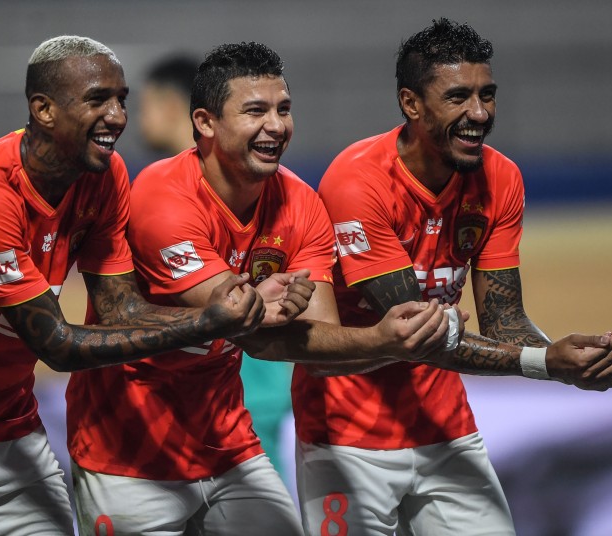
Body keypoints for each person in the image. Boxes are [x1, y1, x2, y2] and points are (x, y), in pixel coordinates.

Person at [0, 35, 268, 536]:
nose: (117, 115)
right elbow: (59, 346)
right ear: (43, 110)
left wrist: (234, 316)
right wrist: (208, 322)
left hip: (8, 421)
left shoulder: (106, 176)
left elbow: (121, 311)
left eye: (121, 99)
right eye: (97, 100)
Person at [66, 41, 459, 536]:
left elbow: (319, 339)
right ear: (205, 123)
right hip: (125, 452)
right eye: (256, 110)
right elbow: (235, 315)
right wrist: (266, 306)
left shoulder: (302, 203)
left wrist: (379, 339)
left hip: (228, 445)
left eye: (284, 109)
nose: (276, 125)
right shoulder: (159, 195)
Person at [298, 17, 612, 535]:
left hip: (445, 427)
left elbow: (504, 320)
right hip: (346, 437)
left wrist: (573, 359)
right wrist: (547, 363)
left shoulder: (500, 177)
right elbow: (416, 334)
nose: (479, 114)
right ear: (411, 104)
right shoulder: (357, 181)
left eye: (488, 95)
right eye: (458, 97)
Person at [137, 51, 297, 479]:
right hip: (244, 390)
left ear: (172, 106)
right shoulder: (223, 178)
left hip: (240, 395)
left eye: (142, 104)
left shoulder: (218, 182)